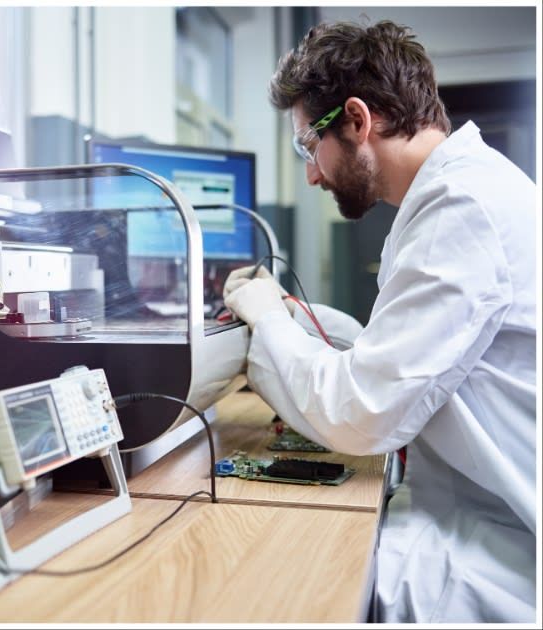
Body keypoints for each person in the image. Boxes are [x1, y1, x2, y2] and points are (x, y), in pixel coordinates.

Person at [223, 20, 537, 623]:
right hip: (472, 505)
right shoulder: (455, 192)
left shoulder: (461, 209)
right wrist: (299, 320)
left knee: (275, 582)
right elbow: (412, 358)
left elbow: (361, 412)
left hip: (496, 544)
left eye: (307, 146)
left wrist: (267, 323)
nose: (311, 173)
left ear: (357, 120)